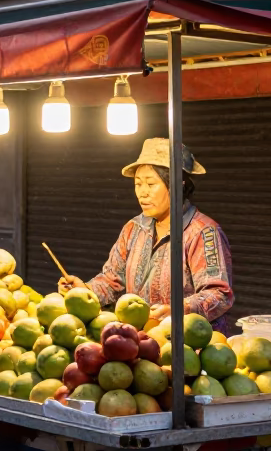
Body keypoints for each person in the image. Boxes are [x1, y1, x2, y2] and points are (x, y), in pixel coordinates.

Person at [57, 137, 235, 333]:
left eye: (150, 184)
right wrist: (85, 291)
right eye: (138, 184)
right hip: (140, 343)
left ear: (178, 186)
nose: (142, 193)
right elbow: (111, 280)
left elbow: (219, 294)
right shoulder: (133, 228)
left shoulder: (203, 232)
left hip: (190, 345)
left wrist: (179, 310)